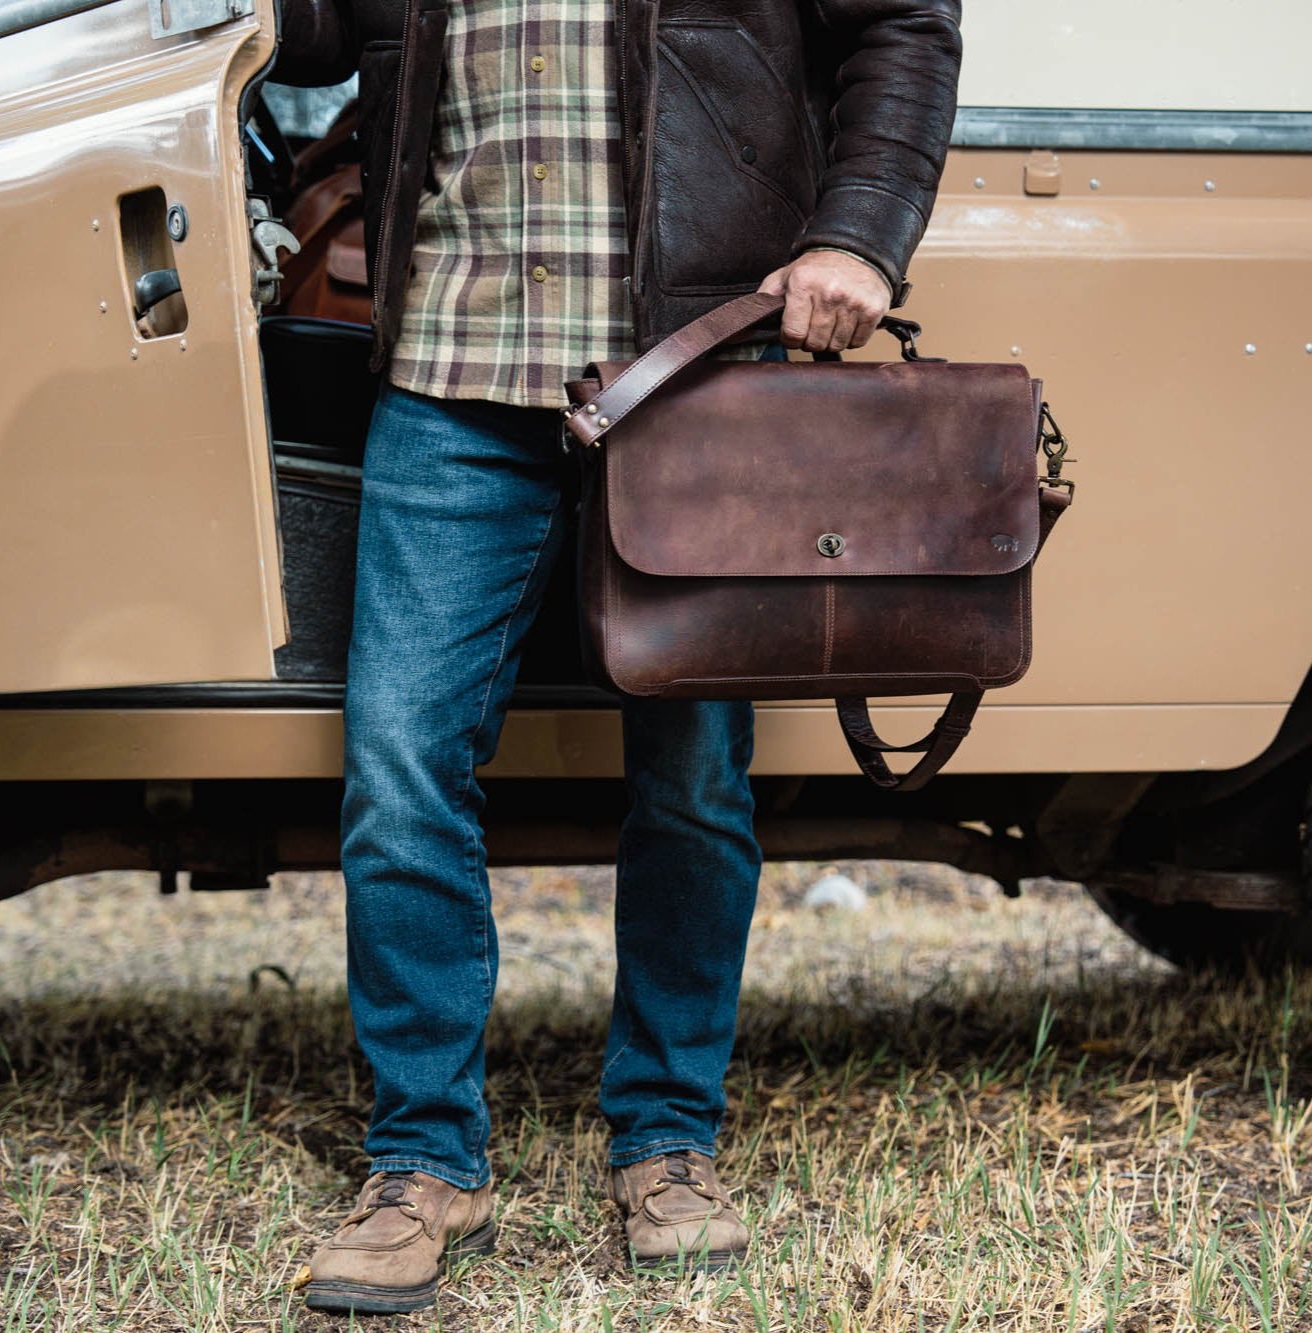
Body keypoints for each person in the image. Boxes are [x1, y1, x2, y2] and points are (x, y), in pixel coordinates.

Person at [275, 0, 962, 1313]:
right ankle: (425, 1159)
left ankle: (667, 1139)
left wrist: (858, 232)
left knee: (694, 779)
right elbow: (312, 33)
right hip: (452, 362)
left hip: (693, 362)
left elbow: (903, 25)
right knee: (399, 767)